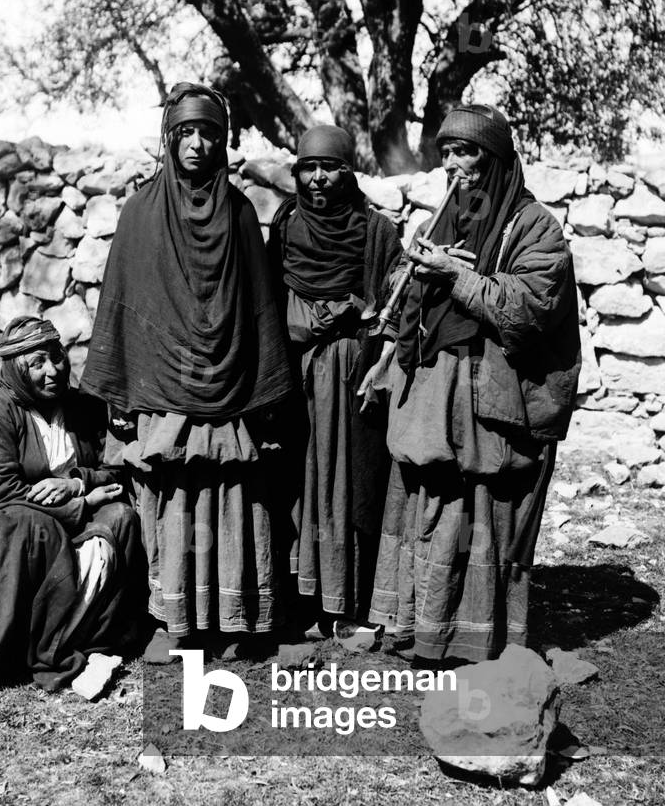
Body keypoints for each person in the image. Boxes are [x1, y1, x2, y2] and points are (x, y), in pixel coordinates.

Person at [81, 82, 293, 657]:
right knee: (172, 498)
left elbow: (260, 307)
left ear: (223, 142)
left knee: (229, 496)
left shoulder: (242, 213)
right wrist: (124, 390)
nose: (198, 145)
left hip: (232, 391)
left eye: (210, 134)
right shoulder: (140, 213)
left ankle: (233, 618)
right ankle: (174, 621)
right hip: (164, 393)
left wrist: (264, 384)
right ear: (169, 139)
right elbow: (124, 304)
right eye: (187, 133)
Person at [362, 104, 580, 663]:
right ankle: (419, 629)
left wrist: (457, 276)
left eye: (469, 153)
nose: (456, 165)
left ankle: (474, 638)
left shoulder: (535, 227)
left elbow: (529, 308)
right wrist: (413, 281)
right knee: (429, 504)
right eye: (448, 154)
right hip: (433, 398)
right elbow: (406, 293)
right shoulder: (441, 220)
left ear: (498, 158)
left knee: (481, 511)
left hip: (491, 404)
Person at [0, 315, 145, 696]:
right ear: (15, 369)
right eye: (36, 364)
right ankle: (5, 641)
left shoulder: (82, 407)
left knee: (121, 518)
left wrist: (74, 482)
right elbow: (1, 494)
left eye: (56, 358)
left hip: (69, 507)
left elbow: (112, 468)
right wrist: (82, 503)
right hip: (4, 520)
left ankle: (77, 635)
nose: (52, 371)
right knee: (32, 527)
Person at [268, 125, 403, 633]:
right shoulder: (285, 226)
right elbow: (267, 298)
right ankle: (301, 595)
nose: (319, 178)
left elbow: (395, 307)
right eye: (310, 167)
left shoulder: (376, 231)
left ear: (350, 171)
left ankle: (346, 599)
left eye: (330, 167)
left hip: (353, 371)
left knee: (348, 481)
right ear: (298, 172)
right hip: (297, 369)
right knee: (301, 479)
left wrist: (377, 355)